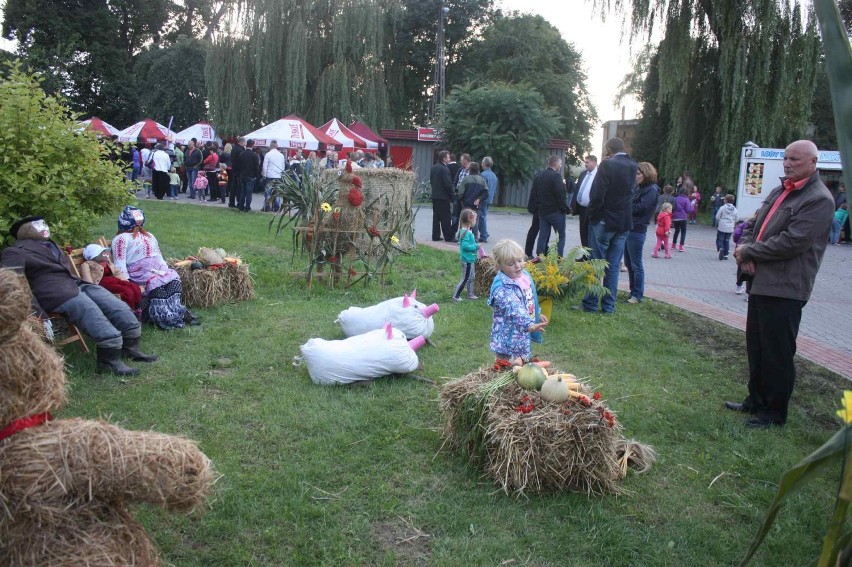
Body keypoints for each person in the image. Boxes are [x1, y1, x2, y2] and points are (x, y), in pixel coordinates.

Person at [726, 140, 834, 428]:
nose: (787, 163)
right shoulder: (781, 189)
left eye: (795, 160)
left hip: (786, 286)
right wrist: (745, 247)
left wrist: (749, 252)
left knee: (777, 352)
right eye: (786, 158)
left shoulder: (819, 199)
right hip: (761, 282)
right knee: (757, 346)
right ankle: (755, 401)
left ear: (813, 163)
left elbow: (793, 241)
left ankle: (774, 413)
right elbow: (753, 223)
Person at [2, 216, 157, 375]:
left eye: (44, 222)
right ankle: (108, 362)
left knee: (116, 305)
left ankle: (130, 349)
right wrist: (39, 314)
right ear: (25, 231)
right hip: (54, 294)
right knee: (90, 311)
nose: (44, 226)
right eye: (38, 224)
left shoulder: (51, 245)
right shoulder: (14, 252)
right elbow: (14, 285)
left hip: (75, 284)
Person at [111, 206, 199, 330]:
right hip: (139, 272)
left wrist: (165, 270)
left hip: (156, 268)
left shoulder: (149, 235)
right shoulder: (121, 239)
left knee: (173, 282)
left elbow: (158, 255)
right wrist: (127, 282)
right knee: (158, 288)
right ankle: (165, 316)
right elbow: (120, 264)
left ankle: (176, 311)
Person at [581, 137, 637, 314]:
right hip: (623, 222)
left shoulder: (607, 165)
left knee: (596, 264)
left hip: (604, 221)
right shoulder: (633, 165)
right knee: (613, 266)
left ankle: (590, 304)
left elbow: (597, 194)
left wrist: (593, 215)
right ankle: (608, 306)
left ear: (608, 149)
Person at [488, 239, 548, 362]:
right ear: (499, 265)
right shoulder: (502, 288)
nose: (518, 266)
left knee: (521, 368)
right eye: (511, 264)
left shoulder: (523, 277)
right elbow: (514, 308)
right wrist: (529, 324)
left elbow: (528, 299)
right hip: (507, 340)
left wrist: (536, 314)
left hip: (522, 335)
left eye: (520, 260)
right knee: (505, 368)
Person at [624, 162, 660, 304]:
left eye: (638, 174)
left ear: (646, 174)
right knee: (629, 262)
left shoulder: (651, 190)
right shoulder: (638, 188)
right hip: (629, 227)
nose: (635, 177)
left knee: (636, 264)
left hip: (637, 229)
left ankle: (637, 294)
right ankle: (633, 290)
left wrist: (626, 205)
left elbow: (642, 207)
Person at [79, 243, 142, 318]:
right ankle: (129, 312)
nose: (104, 254)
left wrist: (125, 281)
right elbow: (87, 280)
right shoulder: (87, 264)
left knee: (134, 287)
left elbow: (117, 272)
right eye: (101, 253)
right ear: (95, 256)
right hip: (103, 284)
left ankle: (137, 308)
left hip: (114, 280)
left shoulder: (107, 262)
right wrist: (93, 289)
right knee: (127, 291)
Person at [534, 155, 569, 258]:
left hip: (543, 211)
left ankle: (540, 256)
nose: (561, 165)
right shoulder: (556, 176)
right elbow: (560, 194)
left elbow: (535, 193)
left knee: (543, 235)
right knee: (561, 236)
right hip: (555, 212)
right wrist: (565, 209)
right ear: (555, 164)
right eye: (560, 163)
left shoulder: (539, 175)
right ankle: (558, 257)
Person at [452, 208, 481, 302]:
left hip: (470, 259)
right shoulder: (466, 233)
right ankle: (456, 296)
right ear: (470, 219)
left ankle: (470, 294)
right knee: (466, 278)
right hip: (467, 260)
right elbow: (465, 247)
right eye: (474, 219)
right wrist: (476, 246)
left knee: (471, 277)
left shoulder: (466, 231)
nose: (475, 221)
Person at [572, 155, 598, 249]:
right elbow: (578, 189)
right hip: (582, 208)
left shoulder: (599, 175)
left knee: (591, 233)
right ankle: (584, 255)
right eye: (585, 162)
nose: (585, 164)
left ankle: (591, 256)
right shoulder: (583, 174)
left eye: (587, 162)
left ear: (594, 162)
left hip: (592, 208)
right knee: (583, 231)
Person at [458, 162, 488, 240]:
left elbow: (460, 193)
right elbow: (486, 193)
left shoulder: (466, 179)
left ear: (470, 169)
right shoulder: (482, 180)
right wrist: (479, 199)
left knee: (464, 222)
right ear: (478, 170)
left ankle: (462, 239)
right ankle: (474, 239)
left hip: (466, 204)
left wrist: (461, 200)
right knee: (474, 223)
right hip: (476, 206)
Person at [430, 150, 455, 242]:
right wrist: (451, 195)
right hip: (444, 197)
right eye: (448, 157)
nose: (449, 159)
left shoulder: (434, 168)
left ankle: (435, 235)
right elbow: (448, 184)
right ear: (444, 158)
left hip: (435, 195)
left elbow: (431, 181)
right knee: (446, 218)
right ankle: (448, 236)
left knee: (436, 217)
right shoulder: (445, 169)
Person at [732, 216, 754, 295]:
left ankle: (738, 286)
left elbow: (736, 234)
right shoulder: (755, 225)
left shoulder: (743, 225)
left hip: (740, 247)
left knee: (740, 269)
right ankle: (748, 292)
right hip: (749, 249)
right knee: (751, 272)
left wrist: (737, 241)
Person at [237, 139, 261, 211]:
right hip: (251, 176)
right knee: (249, 193)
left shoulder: (242, 154)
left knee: (243, 191)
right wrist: (257, 176)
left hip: (243, 175)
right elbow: (256, 166)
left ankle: (241, 206)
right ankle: (247, 207)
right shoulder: (254, 155)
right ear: (252, 145)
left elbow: (239, 165)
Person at [479, 156, 498, 243]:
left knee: (481, 217)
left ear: (485, 164)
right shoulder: (494, 175)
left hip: (483, 198)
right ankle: (485, 233)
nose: (481, 164)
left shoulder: (483, 175)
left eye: (482, 163)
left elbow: (481, 188)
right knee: (483, 215)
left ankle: (483, 235)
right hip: (489, 199)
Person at [715, 194, 738, 260]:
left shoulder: (722, 208)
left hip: (722, 227)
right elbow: (737, 219)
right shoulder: (735, 209)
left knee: (719, 239)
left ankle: (721, 248)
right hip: (730, 228)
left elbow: (717, 217)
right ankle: (726, 255)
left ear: (726, 200)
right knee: (727, 240)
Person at [671, 184, 692, 252]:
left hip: (675, 217)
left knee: (676, 231)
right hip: (683, 217)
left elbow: (672, 207)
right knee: (683, 232)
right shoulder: (686, 199)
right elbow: (688, 210)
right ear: (686, 193)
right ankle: (681, 246)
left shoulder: (675, 198)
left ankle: (673, 245)